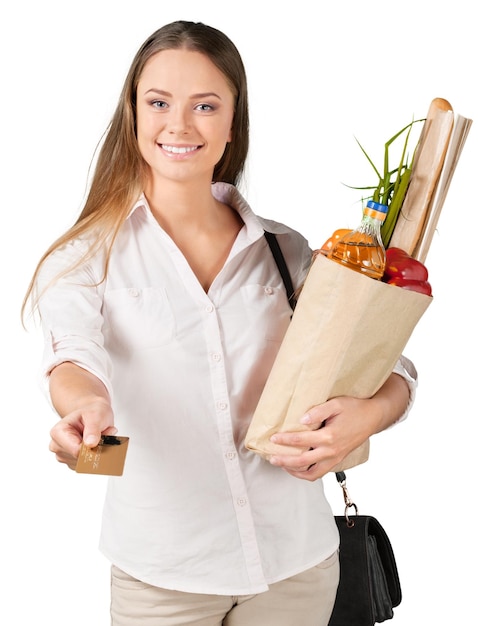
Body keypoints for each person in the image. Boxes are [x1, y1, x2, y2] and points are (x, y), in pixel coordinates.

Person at [22, 20, 417, 626]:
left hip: (299, 563)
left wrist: (371, 413)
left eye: (205, 105)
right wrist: (85, 407)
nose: (179, 125)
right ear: (133, 114)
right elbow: (74, 356)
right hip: (164, 578)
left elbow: (385, 360)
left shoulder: (288, 253)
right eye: (158, 103)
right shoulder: (84, 258)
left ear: (233, 122)